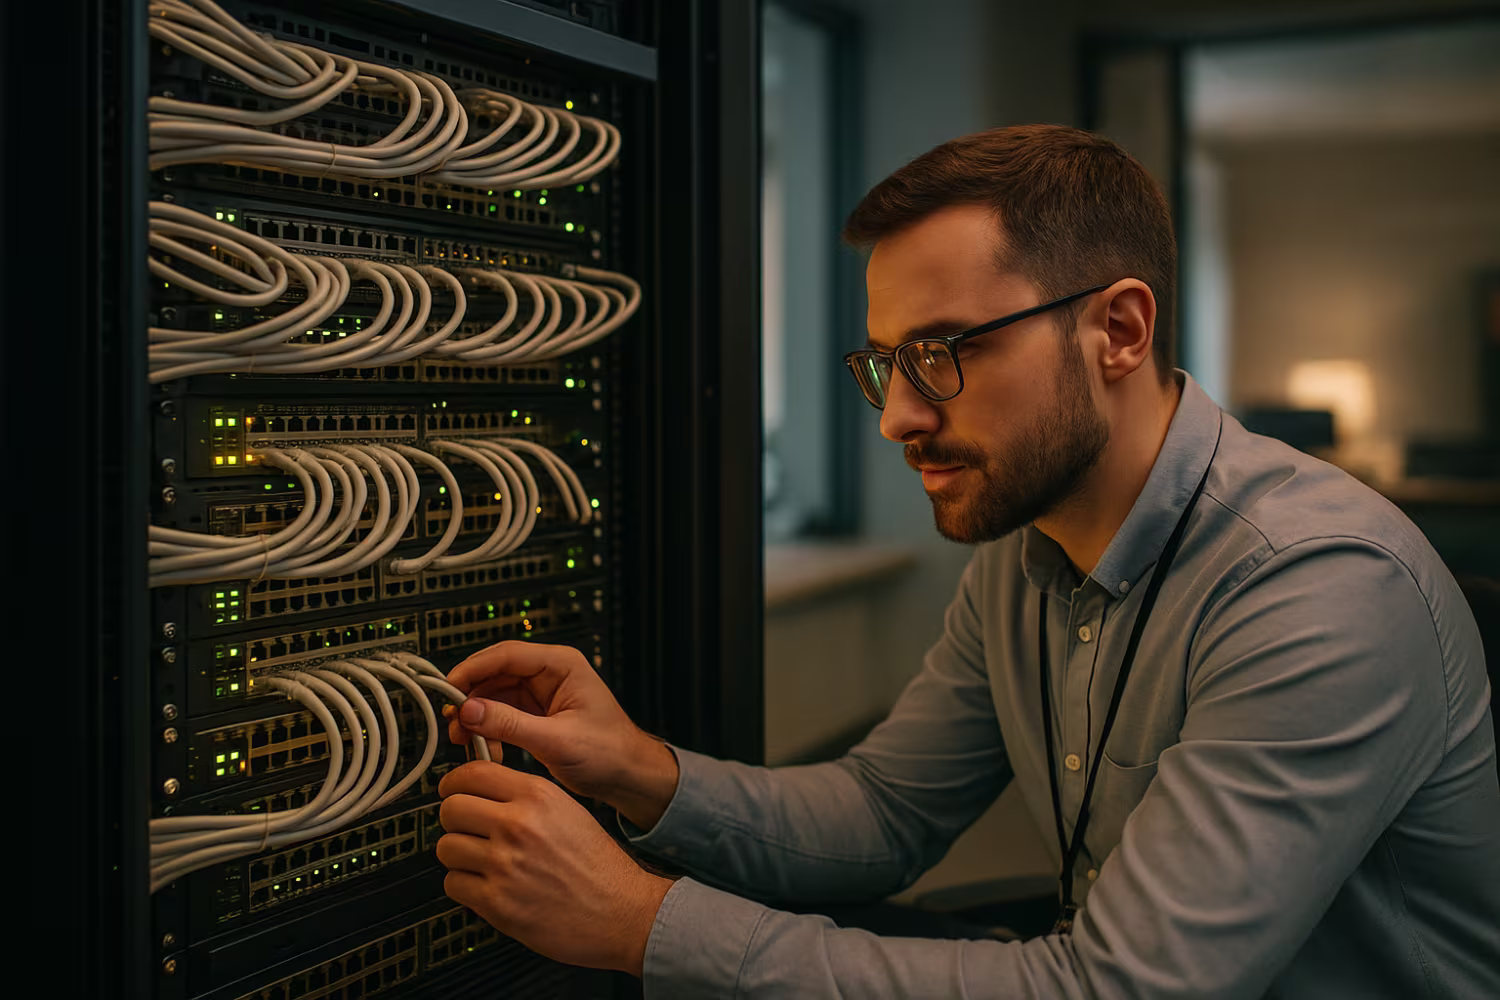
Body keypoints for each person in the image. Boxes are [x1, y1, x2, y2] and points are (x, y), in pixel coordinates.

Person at [431, 125, 1500, 998]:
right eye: (885, 364)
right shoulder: (1026, 545)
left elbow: (1120, 991)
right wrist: (639, 769)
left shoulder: (1318, 585)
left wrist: (641, 923)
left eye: (941, 354)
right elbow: (885, 814)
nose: (897, 416)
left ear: (1119, 331)